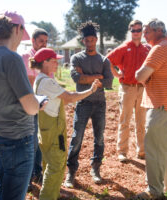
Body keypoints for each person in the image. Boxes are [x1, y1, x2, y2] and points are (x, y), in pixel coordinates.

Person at [0, 12, 42, 200]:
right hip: (18, 139)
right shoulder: (11, 58)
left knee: (6, 191)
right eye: (22, 33)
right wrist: (39, 103)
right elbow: (30, 107)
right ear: (17, 28)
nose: (21, 39)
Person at [31, 48, 100, 200]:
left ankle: (52, 193)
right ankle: (48, 196)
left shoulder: (40, 79)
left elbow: (58, 100)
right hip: (54, 130)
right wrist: (91, 90)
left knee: (49, 162)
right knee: (57, 165)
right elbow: (69, 97)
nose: (57, 63)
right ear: (45, 62)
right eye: (54, 61)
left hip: (45, 129)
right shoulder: (47, 82)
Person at [135, 19, 167, 199]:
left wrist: (142, 76)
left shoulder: (159, 48)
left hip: (161, 105)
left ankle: (154, 191)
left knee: (154, 148)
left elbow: (140, 75)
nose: (144, 35)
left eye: (147, 31)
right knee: (164, 147)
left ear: (158, 30)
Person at [64, 21, 114, 188]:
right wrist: (97, 76)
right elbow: (78, 79)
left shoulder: (104, 59)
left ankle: (96, 168)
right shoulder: (76, 58)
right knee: (77, 137)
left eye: (92, 39)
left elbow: (108, 81)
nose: (90, 42)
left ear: (96, 39)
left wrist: (89, 77)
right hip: (83, 102)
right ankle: (71, 171)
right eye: (87, 40)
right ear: (82, 41)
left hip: (100, 104)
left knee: (99, 138)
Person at [107, 20, 149, 162]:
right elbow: (108, 61)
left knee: (141, 122)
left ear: (142, 31)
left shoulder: (146, 49)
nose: (136, 33)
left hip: (142, 89)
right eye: (133, 30)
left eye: (138, 30)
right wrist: (117, 75)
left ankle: (142, 151)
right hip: (127, 88)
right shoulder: (124, 48)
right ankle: (122, 152)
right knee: (124, 120)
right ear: (130, 31)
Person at [22, 28, 49, 186]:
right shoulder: (26, 57)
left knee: (41, 139)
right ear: (33, 41)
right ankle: (29, 175)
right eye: (41, 41)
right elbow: (29, 83)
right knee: (31, 141)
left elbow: (49, 80)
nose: (44, 44)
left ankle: (37, 171)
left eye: (46, 42)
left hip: (43, 104)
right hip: (30, 105)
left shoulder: (46, 58)